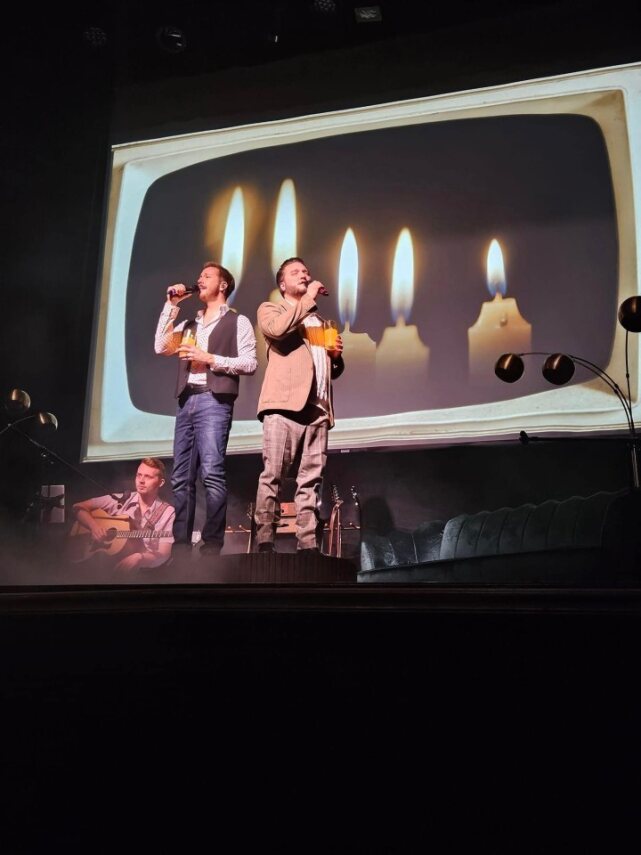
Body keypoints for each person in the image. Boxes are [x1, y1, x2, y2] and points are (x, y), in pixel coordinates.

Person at [154, 261, 257, 555]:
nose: (200, 279)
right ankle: (180, 547)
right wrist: (171, 306)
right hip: (186, 400)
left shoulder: (238, 321)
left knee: (211, 473)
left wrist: (209, 358)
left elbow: (250, 363)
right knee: (180, 478)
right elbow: (161, 346)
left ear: (223, 285)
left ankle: (211, 545)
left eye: (207, 276)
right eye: (199, 276)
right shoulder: (190, 324)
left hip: (214, 401)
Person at [254, 256, 344, 554]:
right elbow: (277, 331)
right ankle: (265, 540)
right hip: (283, 405)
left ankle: (307, 543)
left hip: (318, 408)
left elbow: (327, 368)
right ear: (282, 284)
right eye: (296, 272)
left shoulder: (319, 321)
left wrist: (335, 357)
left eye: (306, 271)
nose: (304, 275)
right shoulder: (271, 309)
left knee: (311, 480)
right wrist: (308, 298)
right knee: (273, 475)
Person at [72, 458, 175, 570]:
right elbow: (78, 507)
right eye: (139, 475)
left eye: (148, 477)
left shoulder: (167, 512)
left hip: (142, 573)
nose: (141, 480)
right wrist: (94, 527)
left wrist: (140, 558)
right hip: (100, 566)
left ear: (161, 482)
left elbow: (164, 553)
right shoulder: (121, 499)